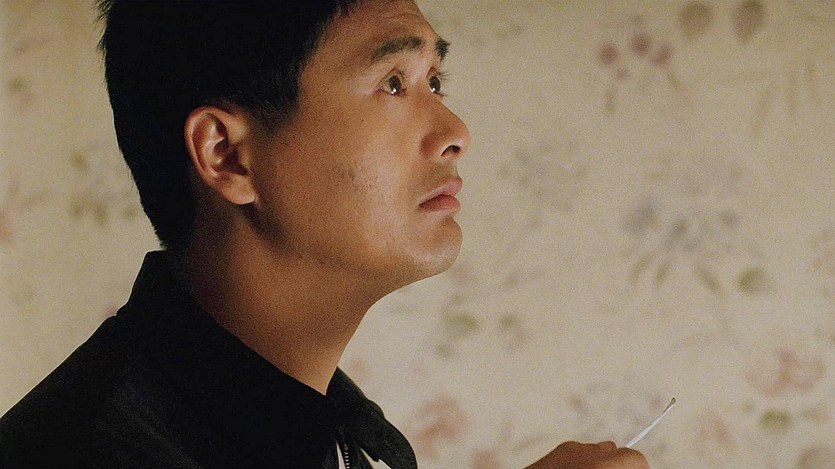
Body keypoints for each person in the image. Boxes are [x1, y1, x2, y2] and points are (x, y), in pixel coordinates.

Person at [0, 1, 650, 468]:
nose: (455, 131)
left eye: (434, 81)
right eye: (393, 83)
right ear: (227, 155)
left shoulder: (342, 432)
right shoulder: (87, 451)